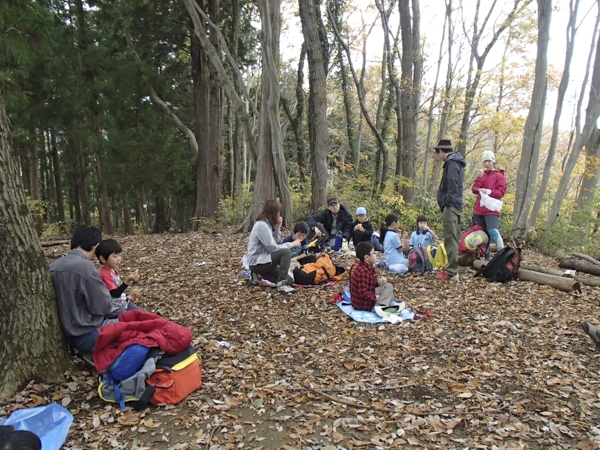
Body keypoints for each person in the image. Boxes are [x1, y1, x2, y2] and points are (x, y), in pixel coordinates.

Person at [49, 226, 138, 354]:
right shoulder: (85, 267)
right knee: (140, 326)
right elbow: (103, 306)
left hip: (70, 333)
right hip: (88, 333)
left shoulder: (53, 266)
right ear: (95, 246)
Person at [247, 200, 301, 293]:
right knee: (286, 252)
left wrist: (277, 229)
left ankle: (258, 275)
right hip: (257, 262)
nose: (279, 215)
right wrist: (291, 244)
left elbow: (272, 244)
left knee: (290, 280)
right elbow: (273, 248)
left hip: (264, 261)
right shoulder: (262, 226)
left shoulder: (266, 225)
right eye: (278, 213)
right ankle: (282, 285)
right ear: (273, 213)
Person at [434, 138, 466, 281]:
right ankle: (452, 268)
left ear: (441, 151)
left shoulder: (452, 163)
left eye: (437, 152)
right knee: (452, 237)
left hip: (451, 206)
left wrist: (447, 202)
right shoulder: (454, 162)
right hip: (453, 204)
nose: (437, 155)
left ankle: (452, 272)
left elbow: (452, 183)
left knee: (450, 237)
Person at [471, 150, 507, 255]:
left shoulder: (499, 176)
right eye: (484, 161)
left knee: (493, 231)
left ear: (493, 161)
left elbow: (501, 192)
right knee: (481, 234)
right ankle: (484, 258)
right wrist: (479, 177)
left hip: (491, 208)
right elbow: (474, 190)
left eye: (488, 161)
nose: (486, 164)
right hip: (479, 209)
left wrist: (489, 191)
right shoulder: (482, 175)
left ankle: (502, 254)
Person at [95, 238, 140, 315]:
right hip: (113, 308)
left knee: (142, 313)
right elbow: (114, 294)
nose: (119, 259)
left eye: (119, 255)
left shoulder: (113, 269)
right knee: (131, 317)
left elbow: (118, 289)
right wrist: (127, 281)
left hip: (121, 303)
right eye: (115, 256)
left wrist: (127, 297)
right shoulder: (104, 273)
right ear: (103, 259)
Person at [349, 242, 396, 311]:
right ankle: (378, 308)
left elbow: (370, 284)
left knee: (390, 294)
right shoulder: (363, 271)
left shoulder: (368, 267)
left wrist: (380, 283)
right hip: (362, 304)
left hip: (369, 293)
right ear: (367, 257)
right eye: (373, 253)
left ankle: (382, 304)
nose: (375, 255)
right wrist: (375, 298)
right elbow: (363, 293)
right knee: (389, 290)